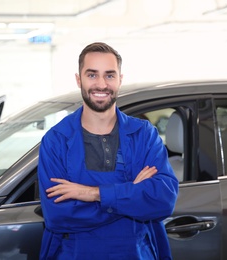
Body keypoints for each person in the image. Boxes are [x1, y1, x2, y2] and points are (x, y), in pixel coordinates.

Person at [38, 42, 179, 259]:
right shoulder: (56, 140)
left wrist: (92, 193)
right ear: (79, 80)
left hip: (136, 253)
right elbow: (58, 215)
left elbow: (163, 200)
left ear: (120, 79)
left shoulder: (143, 134)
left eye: (110, 75)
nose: (101, 84)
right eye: (92, 75)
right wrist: (131, 194)